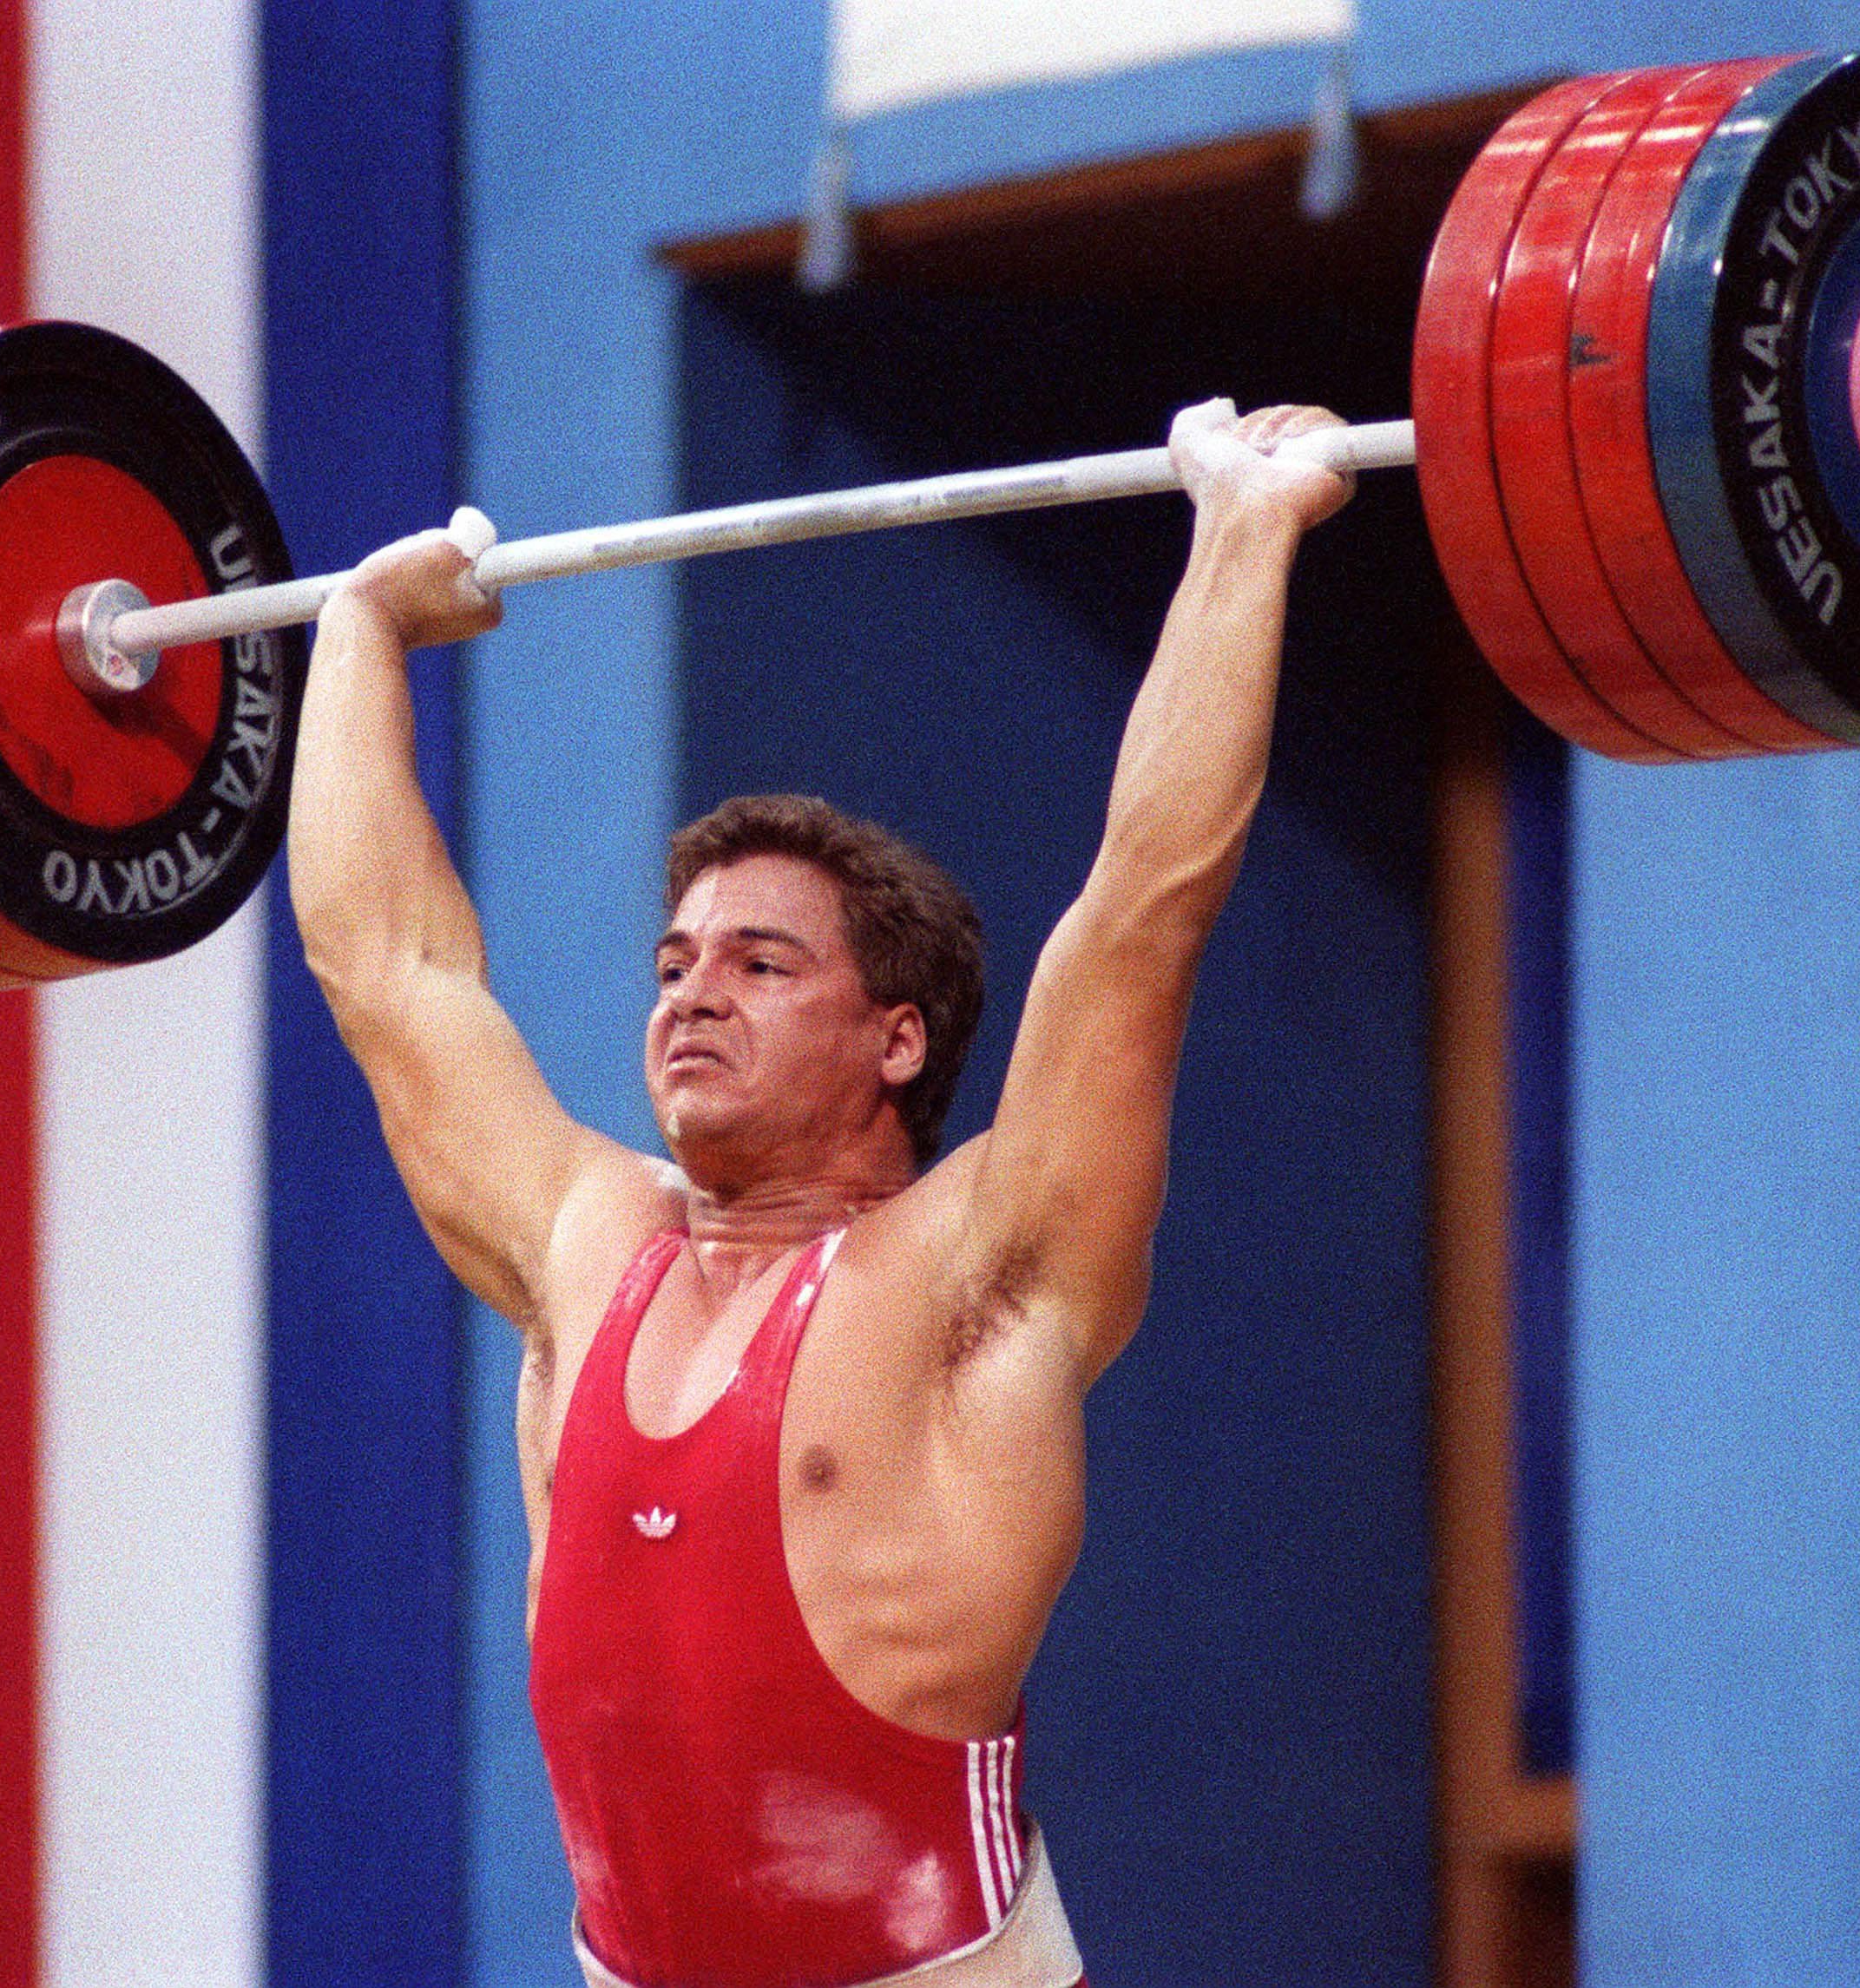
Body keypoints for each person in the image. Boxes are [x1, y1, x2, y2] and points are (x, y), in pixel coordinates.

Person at [286, 399, 1353, 1988]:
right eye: (672, 964)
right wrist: (358, 637)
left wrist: (1245, 535)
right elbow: (386, 967)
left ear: (896, 1037)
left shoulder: (978, 1268)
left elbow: (1143, 913)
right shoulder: (588, 1241)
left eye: (760, 963)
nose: (690, 996)